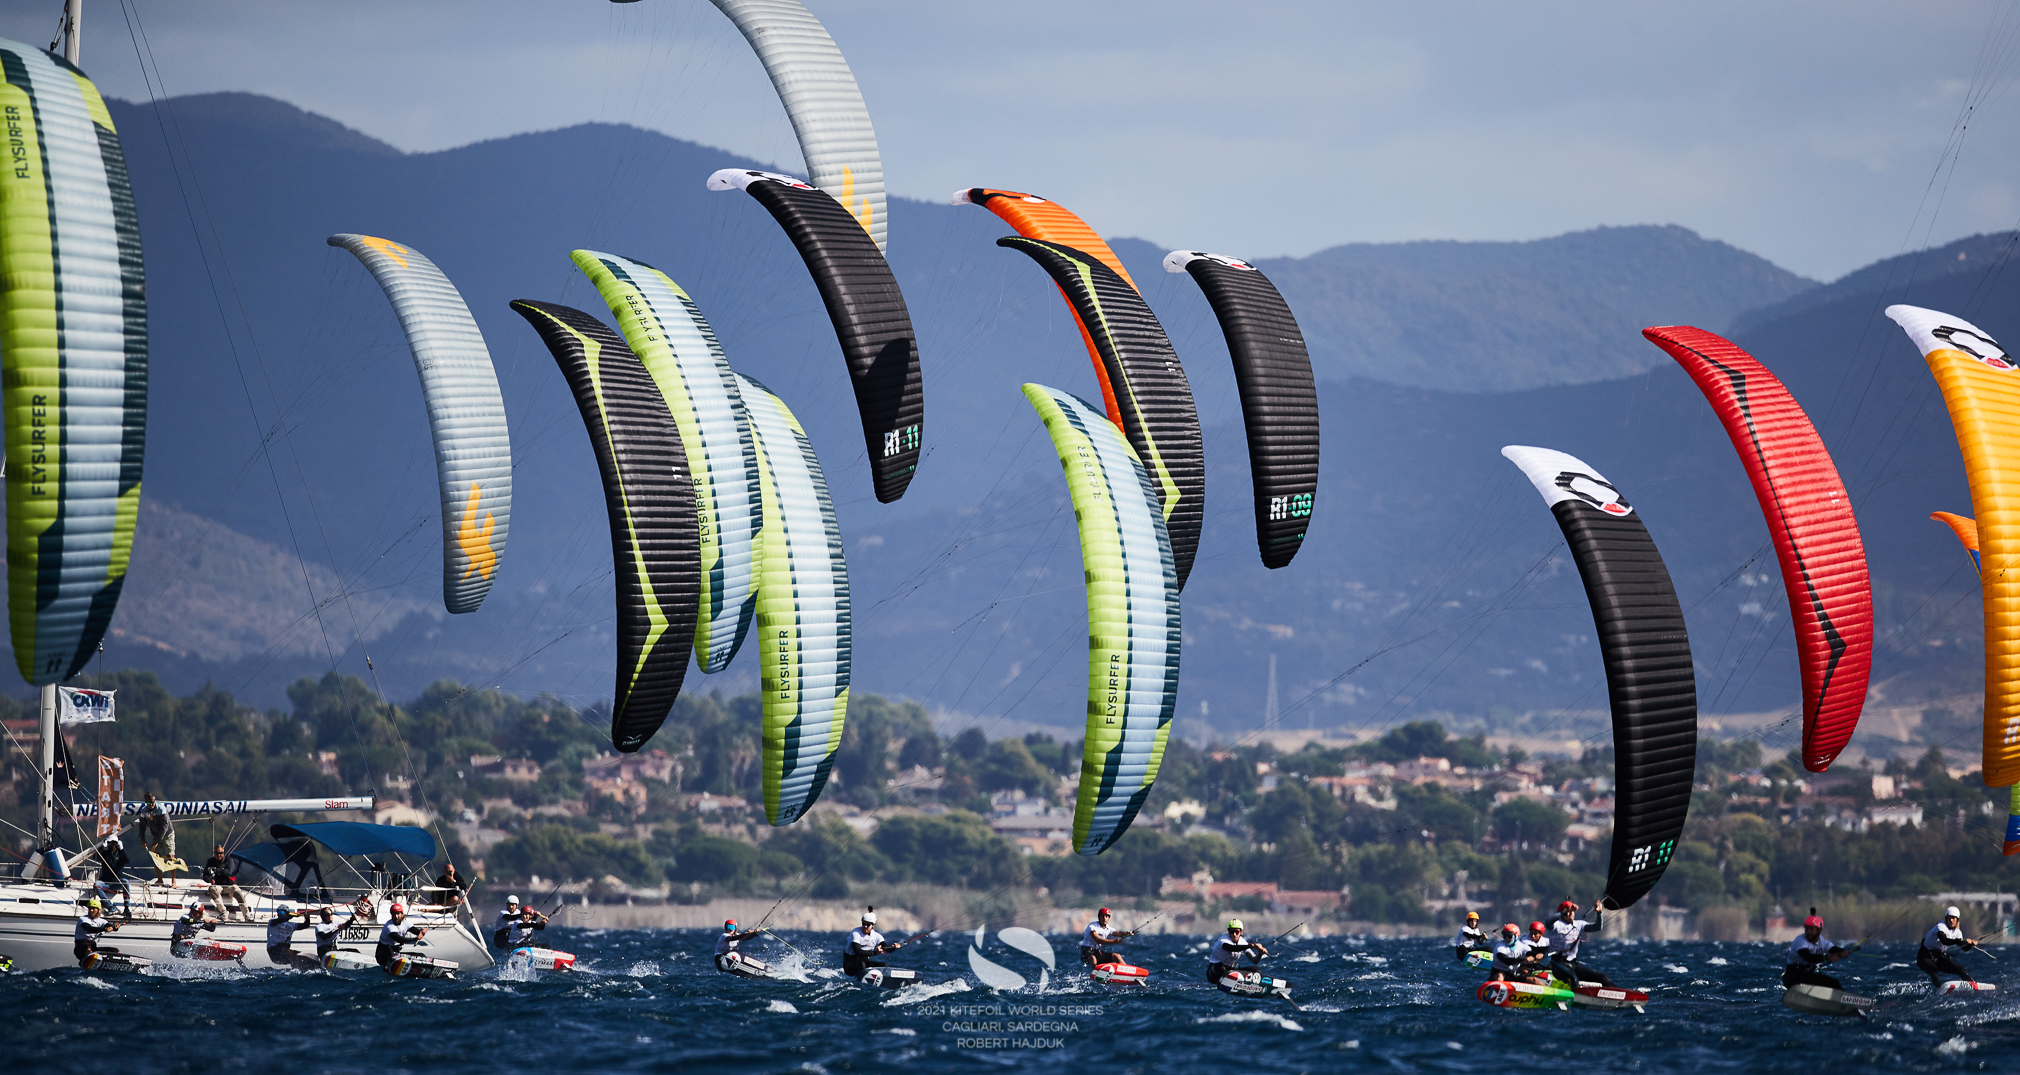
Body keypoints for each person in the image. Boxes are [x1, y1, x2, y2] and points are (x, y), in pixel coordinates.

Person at [1546, 899, 1617, 988]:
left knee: (1601, 977)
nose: (1570, 913)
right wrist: (1563, 912)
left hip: (1573, 964)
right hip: (1558, 965)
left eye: (1572, 911)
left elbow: (1597, 927)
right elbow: (1548, 922)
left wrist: (1599, 914)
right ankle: (1578, 999)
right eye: (1568, 912)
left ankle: (1622, 994)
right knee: (1573, 977)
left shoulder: (1579, 924)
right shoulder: (1556, 925)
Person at [1783, 911, 1849, 990]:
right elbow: (1808, 957)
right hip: (1792, 976)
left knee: (1834, 983)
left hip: (1807, 976)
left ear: (1819, 930)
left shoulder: (1823, 942)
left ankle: (1842, 1001)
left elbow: (1833, 949)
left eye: (1811, 929)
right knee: (1803, 981)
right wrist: (1827, 957)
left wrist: (1843, 952)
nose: (1808, 932)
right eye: (1807, 929)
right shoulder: (1800, 941)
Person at [1918, 905, 1979, 990]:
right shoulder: (1940, 926)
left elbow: (1965, 949)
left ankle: (1973, 986)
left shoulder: (1957, 933)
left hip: (1937, 958)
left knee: (1960, 969)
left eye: (1953, 918)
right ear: (1946, 918)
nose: (1951, 920)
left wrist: (1971, 944)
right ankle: (1940, 990)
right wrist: (1959, 941)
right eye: (1949, 918)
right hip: (1924, 957)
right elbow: (1944, 940)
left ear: (1957, 919)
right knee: (1933, 970)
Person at [1207, 918, 1269, 985]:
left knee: (1256, 971)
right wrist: (1251, 946)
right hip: (1214, 973)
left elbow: (1254, 960)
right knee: (1220, 967)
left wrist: (1260, 954)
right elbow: (1232, 948)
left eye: (1236, 932)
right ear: (1228, 932)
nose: (1234, 934)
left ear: (1241, 932)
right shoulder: (1223, 940)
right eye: (1231, 932)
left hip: (1231, 971)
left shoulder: (1243, 942)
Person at [135, 792, 177, 885]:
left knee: (170, 856)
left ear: (155, 800)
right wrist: (142, 839)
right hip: (156, 835)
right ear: (146, 803)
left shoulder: (161, 809)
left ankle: (173, 880)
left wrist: (157, 841)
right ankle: (159, 880)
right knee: (155, 856)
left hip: (167, 834)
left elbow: (164, 826)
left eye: (152, 802)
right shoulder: (144, 811)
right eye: (148, 803)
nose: (151, 804)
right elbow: (142, 826)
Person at [842, 908, 897, 978]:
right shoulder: (855, 933)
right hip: (850, 965)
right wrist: (875, 953)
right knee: (861, 964)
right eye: (863, 924)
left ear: (873, 925)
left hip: (865, 963)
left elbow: (886, 947)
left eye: (868, 925)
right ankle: (862, 984)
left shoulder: (876, 936)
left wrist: (894, 947)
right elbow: (858, 951)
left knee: (885, 966)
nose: (865, 927)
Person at [202, 845, 250, 922]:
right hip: (218, 885)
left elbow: (228, 872)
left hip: (229, 885)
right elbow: (204, 876)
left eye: (220, 853)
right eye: (217, 853)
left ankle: (247, 915)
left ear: (223, 853)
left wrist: (216, 870)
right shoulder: (210, 861)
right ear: (214, 853)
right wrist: (209, 880)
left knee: (238, 892)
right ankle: (223, 912)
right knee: (212, 889)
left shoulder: (229, 860)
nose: (219, 855)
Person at [376, 902, 429, 971]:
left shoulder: (406, 924)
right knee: (392, 955)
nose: (396, 916)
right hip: (383, 954)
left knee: (421, 956)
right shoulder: (389, 926)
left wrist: (422, 931)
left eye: (398, 914)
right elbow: (399, 939)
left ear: (402, 915)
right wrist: (415, 939)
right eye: (394, 914)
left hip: (394, 952)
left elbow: (417, 932)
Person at [265, 904, 318, 970]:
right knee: (285, 950)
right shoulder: (272, 922)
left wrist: (307, 918)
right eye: (279, 912)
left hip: (285, 952)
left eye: (282, 912)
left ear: (287, 913)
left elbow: (305, 925)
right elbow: (282, 919)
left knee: (302, 957)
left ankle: (313, 967)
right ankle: (296, 965)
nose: (280, 914)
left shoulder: (292, 925)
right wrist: (292, 915)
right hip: (274, 951)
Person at [74, 897, 121, 965]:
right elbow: (90, 929)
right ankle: (86, 962)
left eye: (93, 909)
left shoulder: (101, 921)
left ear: (98, 910)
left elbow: (109, 925)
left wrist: (115, 926)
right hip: (81, 947)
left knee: (115, 950)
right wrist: (104, 929)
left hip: (92, 946)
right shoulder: (83, 919)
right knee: (88, 948)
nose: (91, 911)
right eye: (90, 909)